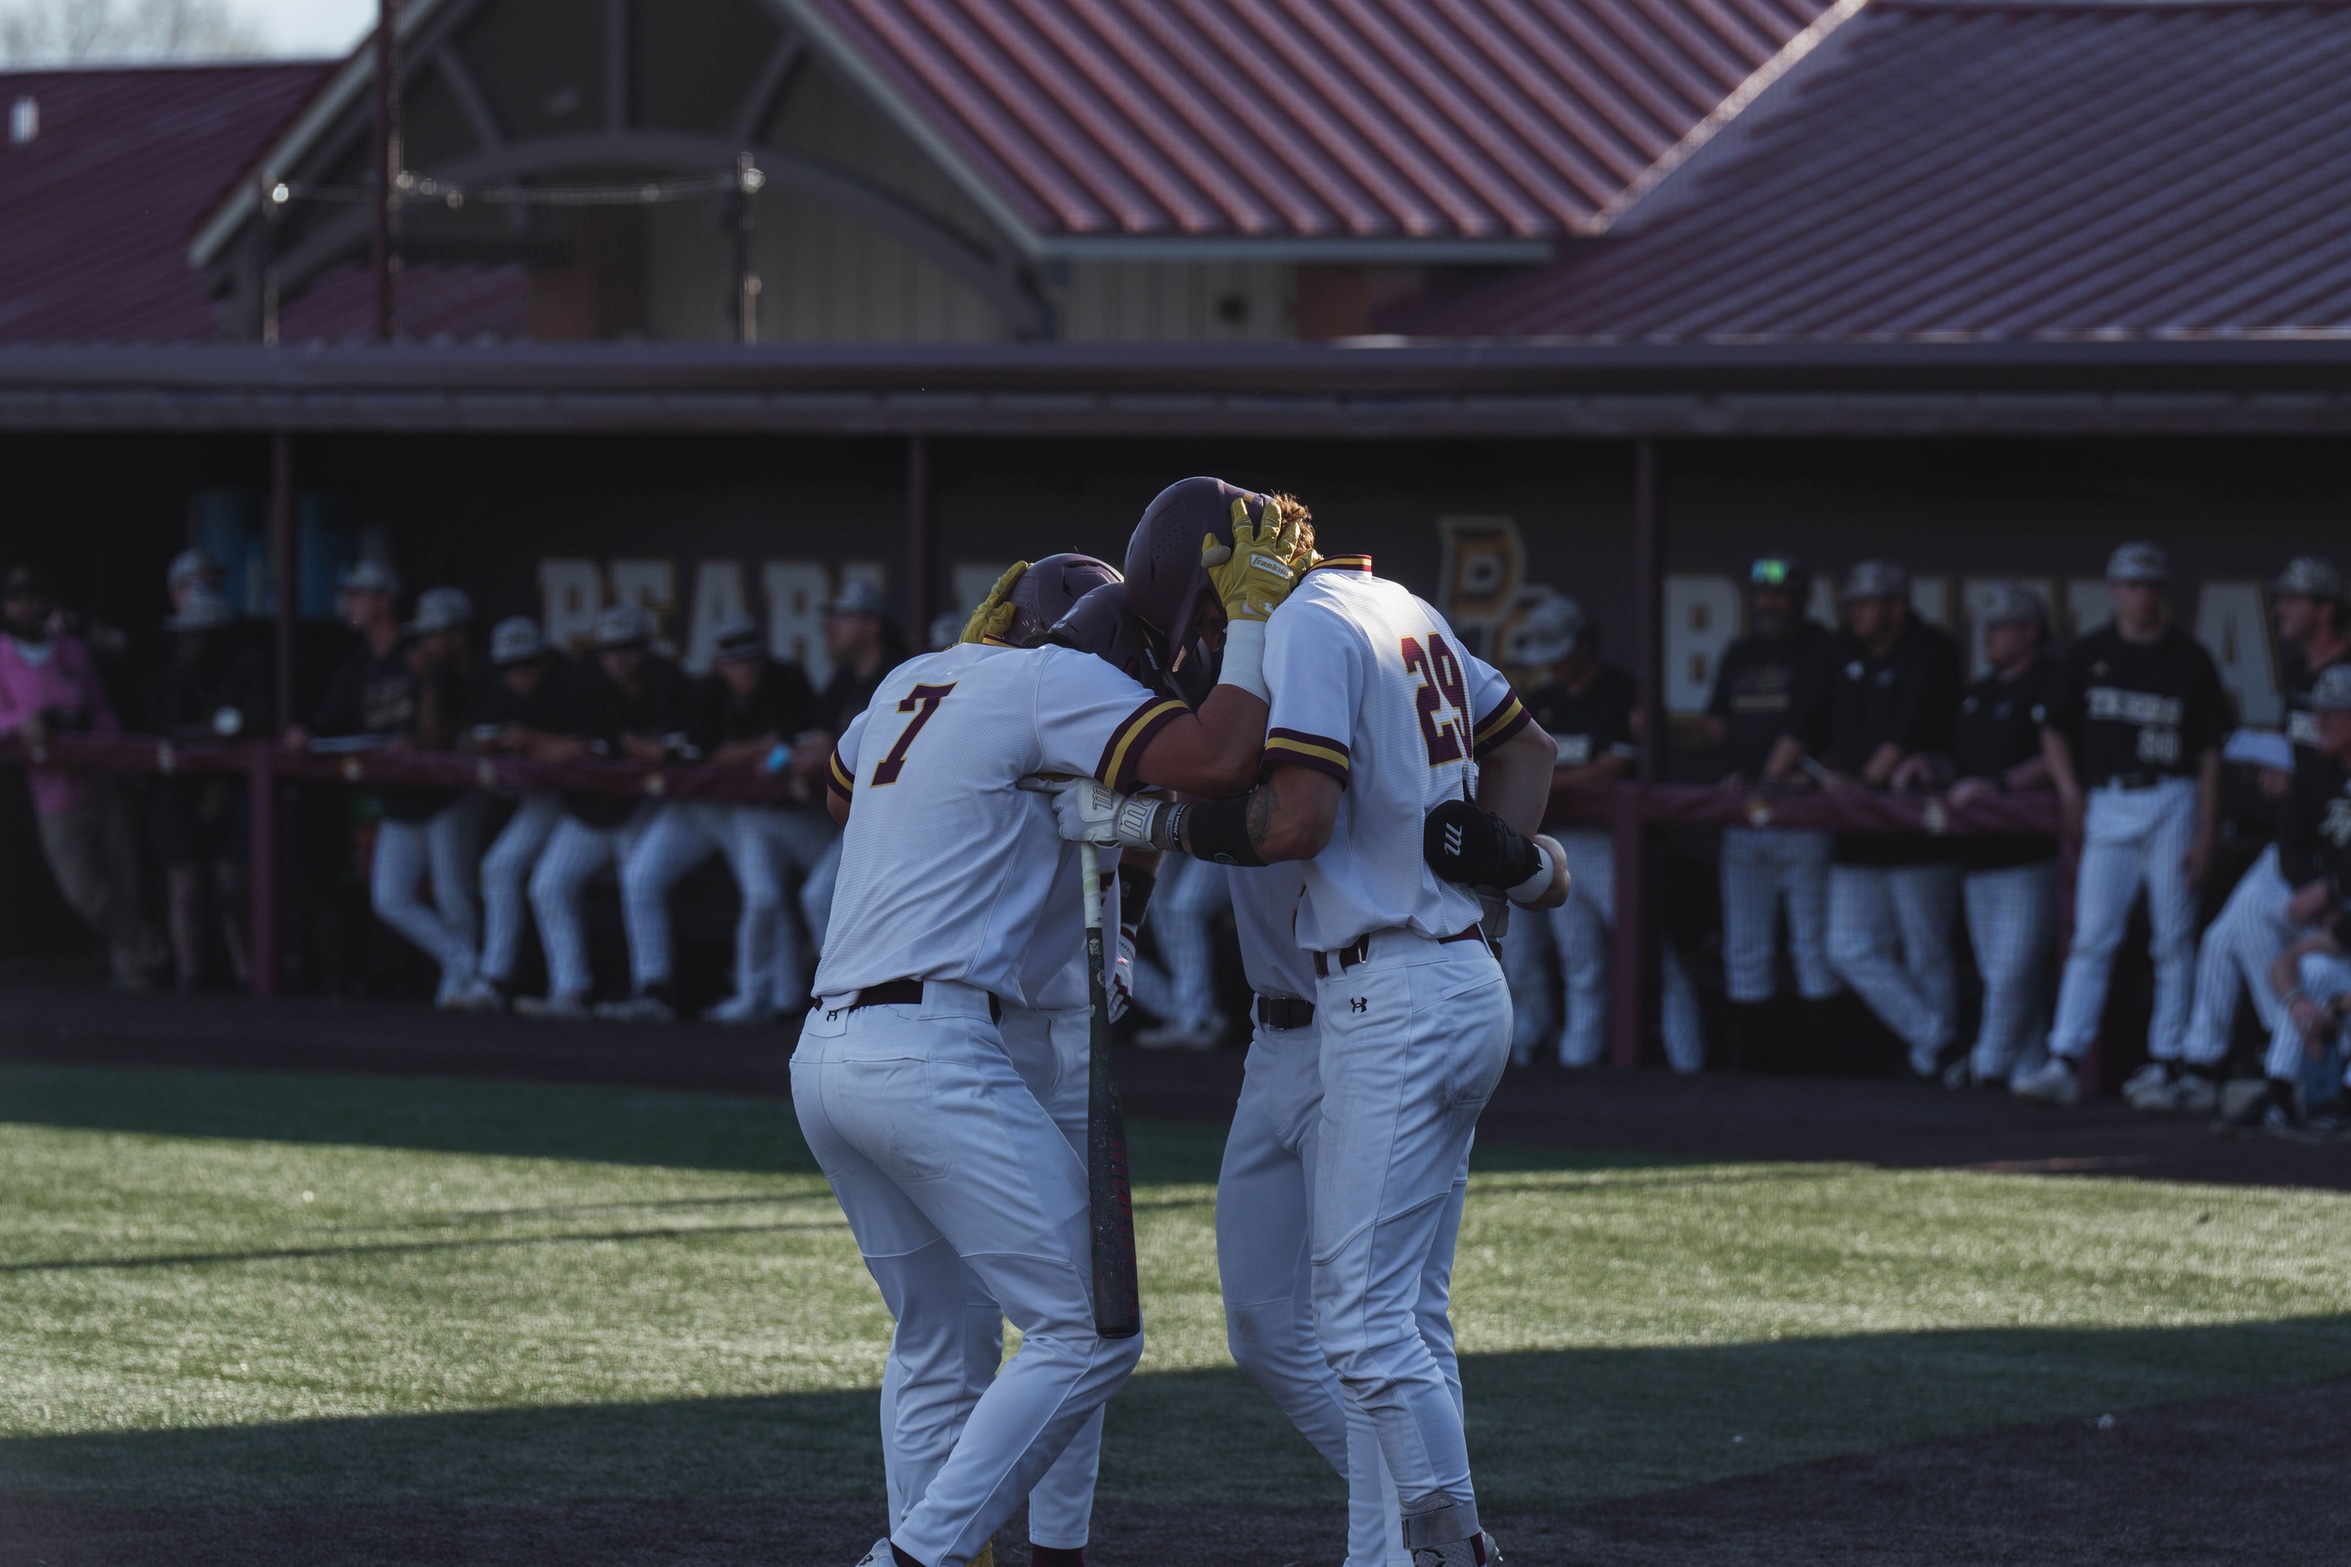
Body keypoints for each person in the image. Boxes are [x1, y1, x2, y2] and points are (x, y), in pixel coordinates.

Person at [1046, 478, 1564, 1567]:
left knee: (1374, 1327)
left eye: (1197, 621)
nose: (1199, 649)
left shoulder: (1307, 628)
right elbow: (1527, 749)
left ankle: (1430, 1548)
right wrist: (1480, 888)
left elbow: (1293, 820)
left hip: (1383, 992)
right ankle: (1416, 1530)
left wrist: (1149, 821)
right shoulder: (1396, 605)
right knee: (1286, 1326)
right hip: (1358, 996)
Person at [809, 490, 1294, 1567]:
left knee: (941, 1341)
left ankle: (955, 1547)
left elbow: (841, 793)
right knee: (1090, 1328)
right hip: (941, 1048)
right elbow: (1218, 762)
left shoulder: (915, 674)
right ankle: (916, 1556)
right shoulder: (1060, 682)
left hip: (828, 1053)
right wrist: (1256, 619)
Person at [2014, 543, 2229, 1108]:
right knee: (2092, 936)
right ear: (2113, 591)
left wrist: (2207, 831)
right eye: (2132, 585)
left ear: (2163, 592)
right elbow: (2053, 726)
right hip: (2108, 799)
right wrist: (2068, 789)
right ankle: (2064, 1060)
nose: (2142, 595)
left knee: (2172, 938)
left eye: (2151, 585)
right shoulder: (2089, 653)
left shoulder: (2189, 657)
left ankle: (2166, 1061)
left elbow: (2210, 752)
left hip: (2172, 796)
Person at [2169, 556, 2351, 1110]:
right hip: (2307, 843)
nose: (2279, 609)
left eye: (2292, 599)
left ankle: (2291, 1059)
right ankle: (2208, 1064)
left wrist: (2333, 890)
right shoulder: (2298, 672)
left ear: (2325, 608)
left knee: (2251, 926)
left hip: (2338, 854)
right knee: (2222, 937)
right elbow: (2306, 778)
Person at [1500, 590, 1703, 1070]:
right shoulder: (1543, 700)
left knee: (1652, 956)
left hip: (1613, 846)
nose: (1552, 664)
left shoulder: (1619, 691)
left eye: (1560, 653)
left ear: (1583, 645)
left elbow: (1613, 767)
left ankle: (1689, 1063)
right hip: (1558, 842)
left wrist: (1548, 780)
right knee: (1580, 961)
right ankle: (1579, 1062)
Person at [296, 576, 491, 1009]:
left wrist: (423, 701)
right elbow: (333, 719)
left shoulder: (438, 664)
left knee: (452, 894)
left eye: (359, 594)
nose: (430, 642)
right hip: (402, 797)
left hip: (446, 795)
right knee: (389, 897)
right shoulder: (366, 663)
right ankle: (467, 967)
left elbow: (438, 734)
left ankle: (464, 984)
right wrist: (307, 732)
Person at [617, 613, 820, 1023]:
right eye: (735, 661)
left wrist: (758, 752)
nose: (745, 669)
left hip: (751, 814)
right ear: (719, 664)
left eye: (751, 659)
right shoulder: (704, 691)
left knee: (764, 896)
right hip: (697, 809)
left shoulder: (786, 681)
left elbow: (793, 744)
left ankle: (781, 996)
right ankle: (653, 987)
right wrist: (757, 748)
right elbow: (700, 754)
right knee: (640, 877)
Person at [1821, 560, 1964, 1078]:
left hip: (1918, 831)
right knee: (1847, 948)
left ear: (1897, 608)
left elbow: (1908, 731)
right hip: (1857, 833)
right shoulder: (1843, 652)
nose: (1857, 613)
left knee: (1927, 953)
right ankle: (1940, 1043)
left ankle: (1938, 1067)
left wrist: (1862, 783)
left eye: (1867, 603)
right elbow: (1820, 724)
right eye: (1853, 604)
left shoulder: (1932, 651)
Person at [1698, 555, 1842, 1062]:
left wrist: (1806, 772)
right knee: (1744, 944)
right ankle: (1750, 1066)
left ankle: (1824, 1065)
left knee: (1813, 944)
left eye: (1779, 594)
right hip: (1746, 815)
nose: (1769, 603)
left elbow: (1835, 725)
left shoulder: (1825, 648)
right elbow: (1715, 726)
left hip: (1804, 815)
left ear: (1802, 597)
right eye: (1762, 593)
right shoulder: (1742, 652)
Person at [519, 604, 691, 1018]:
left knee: (638, 884)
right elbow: (556, 745)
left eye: (629, 648)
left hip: (646, 808)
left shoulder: (668, 681)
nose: (620, 658)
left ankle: (652, 989)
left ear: (645, 648)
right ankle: (570, 990)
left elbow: (680, 751)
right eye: (611, 650)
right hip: (593, 811)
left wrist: (646, 750)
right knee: (547, 885)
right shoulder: (586, 683)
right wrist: (550, 746)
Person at [0, 564, 166, 990]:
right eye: (17, 598)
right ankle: (149, 948)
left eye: (33, 596)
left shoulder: (72, 649)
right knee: (84, 890)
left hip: (101, 782)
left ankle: (135, 976)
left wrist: (116, 758)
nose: (27, 605)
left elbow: (101, 711)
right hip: (54, 793)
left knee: (125, 881)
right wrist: (23, 722)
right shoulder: (2, 654)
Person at [2217, 663, 2351, 1138]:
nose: (2322, 721)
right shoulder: (2315, 770)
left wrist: (2334, 1011)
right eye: (2319, 711)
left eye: (2337, 712)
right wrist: (2299, 1008)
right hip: (2338, 917)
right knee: (2308, 967)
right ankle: (2281, 1092)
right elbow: (2290, 844)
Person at [1937, 586, 2059, 1088]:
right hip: (1978, 858)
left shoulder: (2052, 683)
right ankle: (2027, 1073)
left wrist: (2001, 786)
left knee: (2012, 972)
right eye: (1987, 627)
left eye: (2001, 626)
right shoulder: (1978, 695)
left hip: (2030, 857)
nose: (1990, 636)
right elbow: (1957, 762)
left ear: (2029, 632)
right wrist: (1927, 765)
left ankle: (1985, 1068)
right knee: (2000, 977)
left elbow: (2059, 757)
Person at [146, 584, 271, 991]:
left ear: (217, 637)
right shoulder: (171, 668)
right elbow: (165, 727)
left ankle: (247, 972)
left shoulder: (247, 664)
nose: (187, 643)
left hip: (236, 788)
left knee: (232, 882)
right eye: (183, 634)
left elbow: (254, 724)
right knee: (184, 887)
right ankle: (190, 976)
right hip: (179, 789)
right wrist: (213, 733)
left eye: (196, 634)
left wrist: (208, 739)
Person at [794, 579, 906, 962]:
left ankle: (845, 986)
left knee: (820, 896)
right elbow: (820, 738)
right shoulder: (843, 678)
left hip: (890, 813)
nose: (833, 626)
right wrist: (802, 755)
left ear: (872, 624)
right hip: (847, 814)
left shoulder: (898, 673)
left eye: (845, 617)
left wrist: (826, 755)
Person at [466, 616, 569, 1008]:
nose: (519, 673)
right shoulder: (499, 693)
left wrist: (530, 742)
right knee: (500, 869)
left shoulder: (566, 686)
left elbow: (582, 748)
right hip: (542, 800)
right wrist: (491, 745)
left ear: (542, 660)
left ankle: (568, 991)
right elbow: (474, 738)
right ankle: (494, 979)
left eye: (527, 663)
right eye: (510, 666)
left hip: (587, 804)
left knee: (548, 884)